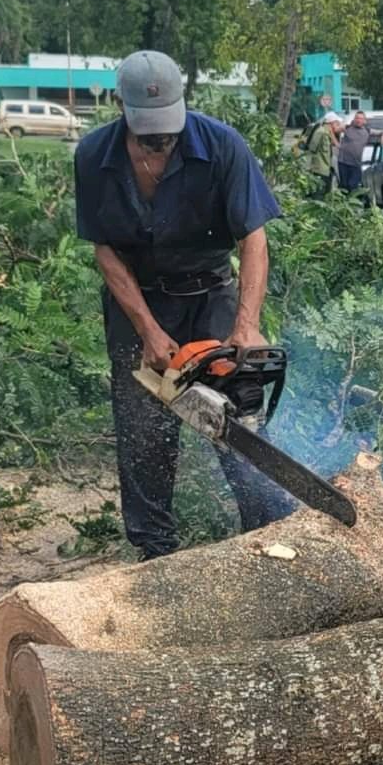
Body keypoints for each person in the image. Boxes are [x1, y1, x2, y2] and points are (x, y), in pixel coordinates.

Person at [74, 49, 294, 560]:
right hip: (139, 301)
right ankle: (156, 551)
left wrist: (246, 326)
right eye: (148, 130)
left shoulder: (221, 147)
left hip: (211, 293)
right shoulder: (94, 157)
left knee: (237, 419)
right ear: (124, 109)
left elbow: (253, 239)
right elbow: (105, 250)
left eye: (167, 128)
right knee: (144, 433)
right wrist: (148, 330)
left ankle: (264, 533)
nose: (160, 139)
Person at [336, 112, 383, 193]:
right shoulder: (347, 128)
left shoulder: (367, 131)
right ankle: (344, 203)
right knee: (344, 186)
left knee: (353, 186)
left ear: (364, 121)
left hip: (356, 164)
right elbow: (335, 130)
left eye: (361, 119)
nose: (358, 120)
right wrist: (337, 141)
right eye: (357, 118)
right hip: (343, 162)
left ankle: (353, 203)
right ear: (354, 119)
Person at [305, 111, 344, 196]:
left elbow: (336, 145)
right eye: (336, 123)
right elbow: (312, 149)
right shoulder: (321, 132)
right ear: (331, 123)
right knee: (319, 194)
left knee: (326, 193)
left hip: (326, 169)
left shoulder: (328, 133)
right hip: (319, 169)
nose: (337, 126)